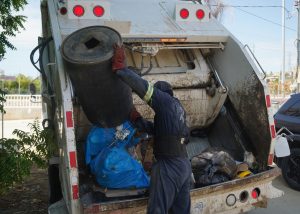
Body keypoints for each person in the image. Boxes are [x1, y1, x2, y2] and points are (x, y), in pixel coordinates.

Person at [111, 44, 191, 214]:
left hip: (169, 165)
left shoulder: (164, 101)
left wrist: (121, 70)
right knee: (181, 210)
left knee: (157, 209)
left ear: (162, 94)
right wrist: (137, 119)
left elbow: (144, 88)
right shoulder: (178, 110)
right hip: (184, 164)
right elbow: (159, 132)